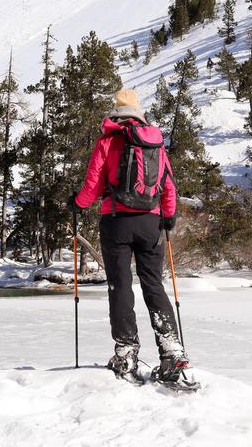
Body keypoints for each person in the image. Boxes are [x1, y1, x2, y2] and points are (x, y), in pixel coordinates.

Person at [68, 89, 187, 382]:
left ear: (116, 111)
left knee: (120, 286)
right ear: (138, 112)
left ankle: (126, 353)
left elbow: (93, 185)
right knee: (153, 285)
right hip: (151, 222)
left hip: (116, 221)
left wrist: (76, 204)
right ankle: (171, 352)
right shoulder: (155, 143)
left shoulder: (107, 140)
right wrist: (168, 217)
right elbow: (168, 185)